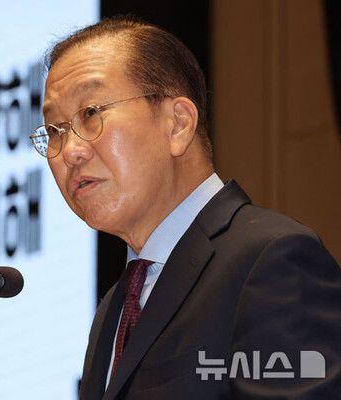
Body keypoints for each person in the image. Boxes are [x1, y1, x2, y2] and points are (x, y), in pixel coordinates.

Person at [29, 17, 341, 399]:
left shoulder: (269, 261)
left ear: (178, 124)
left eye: (91, 113)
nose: (70, 152)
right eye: (55, 130)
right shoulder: (114, 310)